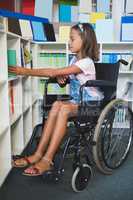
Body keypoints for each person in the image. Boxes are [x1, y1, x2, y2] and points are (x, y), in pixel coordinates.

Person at [9, 23, 103, 176]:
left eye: (72, 39)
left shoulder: (86, 62)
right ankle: (38, 154)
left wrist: (24, 71)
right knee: (57, 105)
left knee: (63, 108)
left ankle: (47, 159)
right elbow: (66, 78)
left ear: (84, 40)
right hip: (76, 101)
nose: (69, 42)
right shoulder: (73, 61)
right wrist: (63, 80)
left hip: (91, 104)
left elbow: (53, 72)